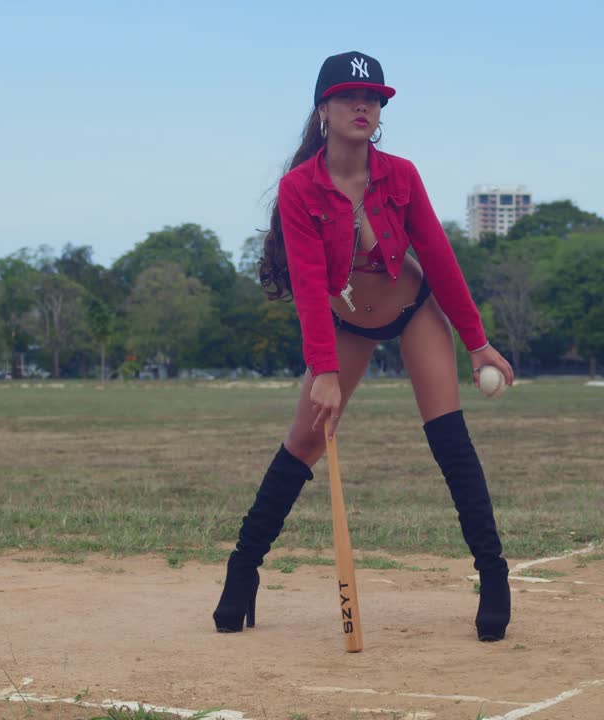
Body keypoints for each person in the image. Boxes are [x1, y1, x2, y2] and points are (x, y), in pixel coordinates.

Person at [212, 51, 516, 642]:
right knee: (302, 442)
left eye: (373, 99)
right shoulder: (299, 189)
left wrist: (477, 343)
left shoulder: (401, 174)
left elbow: (440, 259)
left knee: (450, 441)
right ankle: (243, 568)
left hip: (414, 310)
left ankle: (493, 575)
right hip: (344, 325)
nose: (363, 106)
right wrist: (322, 369)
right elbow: (307, 286)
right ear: (323, 107)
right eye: (350, 97)